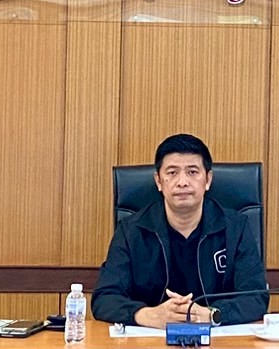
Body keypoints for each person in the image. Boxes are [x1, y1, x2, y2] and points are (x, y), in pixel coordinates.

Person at [93, 134, 268, 328]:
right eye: (172, 172)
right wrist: (150, 315)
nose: (182, 182)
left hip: (218, 340)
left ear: (208, 179)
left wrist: (211, 314)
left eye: (192, 172)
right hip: (149, 340)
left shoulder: (236, 228)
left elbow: (256, 298)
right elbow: (104, 298)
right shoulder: (131, 231)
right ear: (159, 181)